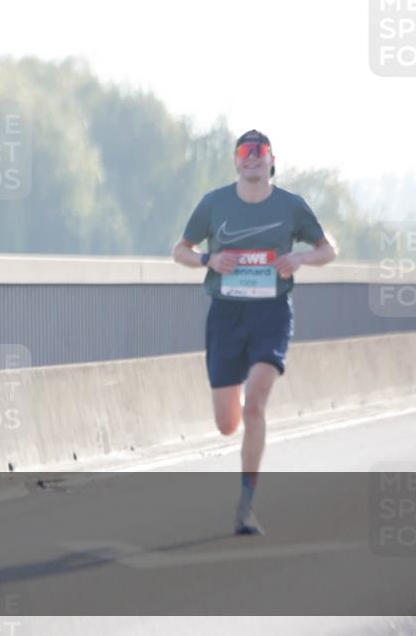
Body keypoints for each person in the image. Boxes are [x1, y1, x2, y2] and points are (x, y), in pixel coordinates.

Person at [172, 130, 336, 535]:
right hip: (225, 316)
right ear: (235, 160)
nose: (252, 159)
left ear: (270, 159)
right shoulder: (214, 203)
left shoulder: (291, 206)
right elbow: (181, 250)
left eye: (259, 152)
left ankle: (246, 506)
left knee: (255, 405)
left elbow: (328, 249)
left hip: (271, 313)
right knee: (227, 424)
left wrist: (299, 257)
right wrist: (210, 259)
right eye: (245, 152)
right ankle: (239, 400)